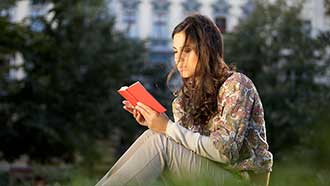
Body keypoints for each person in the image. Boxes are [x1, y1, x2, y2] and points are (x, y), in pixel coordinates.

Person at [95, 14, 273, 186]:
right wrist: (155, 123)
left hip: (241, 180)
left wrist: (167, 128)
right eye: (175, 51)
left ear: (206, 50)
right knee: (154, 135)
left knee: (161, 141)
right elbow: (187, 149)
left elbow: (225, 153)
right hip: (207, 174)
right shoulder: (182, 101)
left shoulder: (236, 85)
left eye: (187, 50)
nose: (179, 59)